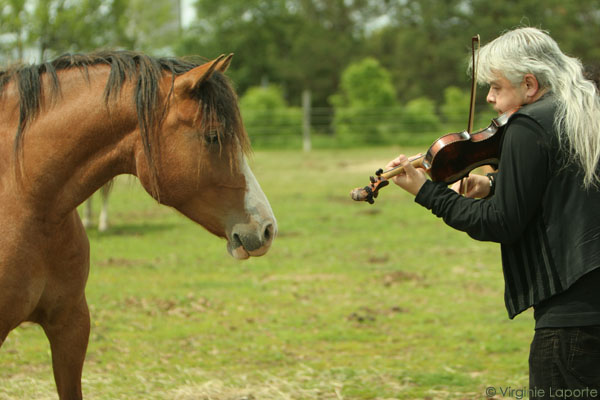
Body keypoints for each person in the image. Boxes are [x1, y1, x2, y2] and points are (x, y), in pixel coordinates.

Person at [386, 27, 600, 397]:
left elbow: (500, 223)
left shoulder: (527, 125)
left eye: (497, 87)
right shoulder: (585, 110)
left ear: (529, 85)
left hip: (572, 318)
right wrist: (495, 184)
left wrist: (427, 192)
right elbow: (567, 186)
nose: (489, 98)